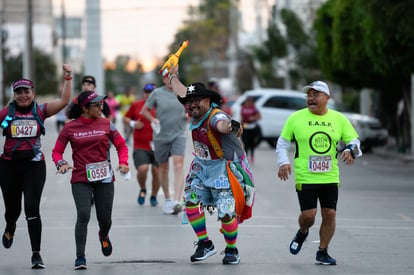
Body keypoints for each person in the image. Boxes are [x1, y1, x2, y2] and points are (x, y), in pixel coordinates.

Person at [168, 66, 255, 265]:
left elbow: (223, 125)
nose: (191, 105)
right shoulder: (195, 111)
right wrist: (173, 75)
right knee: (191, 201)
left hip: (224, 170)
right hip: (201, 167)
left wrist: (233, 126)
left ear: (208, 100)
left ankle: (232, 250)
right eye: (189, 102)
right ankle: (204, 243)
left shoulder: (216, 116)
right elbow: (182, 92)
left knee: (225, 212)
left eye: (196, 100)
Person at [275, 81, 362, 265]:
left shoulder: (338, 119)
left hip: (330, 175)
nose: (311, 98)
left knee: (330, 213)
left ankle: (322, 252)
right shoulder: (296, 118)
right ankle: (303, 232)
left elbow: (354, 141)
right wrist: (283, 162)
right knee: (309, 216)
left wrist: (350, 150)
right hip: (305, 175)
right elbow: (282, 143)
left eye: (316, 94)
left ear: (327, 98)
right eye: (309, 95)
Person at [0, 65, 72, 269]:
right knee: (13, 210)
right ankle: (10, 225)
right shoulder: (7, 112)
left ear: (33, 93)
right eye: (19, 92)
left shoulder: (40, 110)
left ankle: (36, 254)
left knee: (32, 209)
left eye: (26, 91)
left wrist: (68, 78)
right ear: (13, 94)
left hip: (34, 167)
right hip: (8, 167)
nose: (23, 95)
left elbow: (65, 101)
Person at [52, 90, 129, 270]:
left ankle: (103, 235)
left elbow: (121, 145)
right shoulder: (70, 128)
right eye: (97, 105)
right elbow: (57, 151)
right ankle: (80, 257)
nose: (102, 107)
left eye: (102, 104)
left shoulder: (106, 124)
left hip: (104, 178)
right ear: (85, 108)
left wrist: (124, 162)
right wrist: (61, 163)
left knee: (105, 220)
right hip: (80, 178)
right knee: (84, 215)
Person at [141, 70, 187, 214]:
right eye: (167, 76)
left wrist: (189, 114)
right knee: (163, 167)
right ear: (163, 78)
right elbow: (145, 111)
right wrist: (152, 119)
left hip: (179, 134)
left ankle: (176, 201)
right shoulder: (157, 93)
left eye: (173, 76)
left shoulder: (183, 91)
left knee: (179, 163)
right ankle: (167, 199)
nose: (170, 79)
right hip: (161, 136)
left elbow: (193, 107)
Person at [124, 83, 160, 206]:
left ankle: (154, 196)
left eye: (152, 92)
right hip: (141, 145)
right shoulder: (137, 105)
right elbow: (126, 118)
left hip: (159, 145)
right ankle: (143, 189)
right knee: (143, 169)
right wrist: (133, 124)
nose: (149, 94)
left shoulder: (161, 106)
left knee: (157, 171)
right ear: (144, 93)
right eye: (147, 92)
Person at [240, 96, 261, 164]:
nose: (249, 102)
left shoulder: (254, 108)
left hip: (253, 127)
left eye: (251, 101)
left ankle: (252, 156)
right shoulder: (243, 107)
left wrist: (253, 118)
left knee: (252, 143)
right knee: (246, 142)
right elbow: (241, 117)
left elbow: (259, 117)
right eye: (248, 101)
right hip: (245, 127)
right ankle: (246, 156)